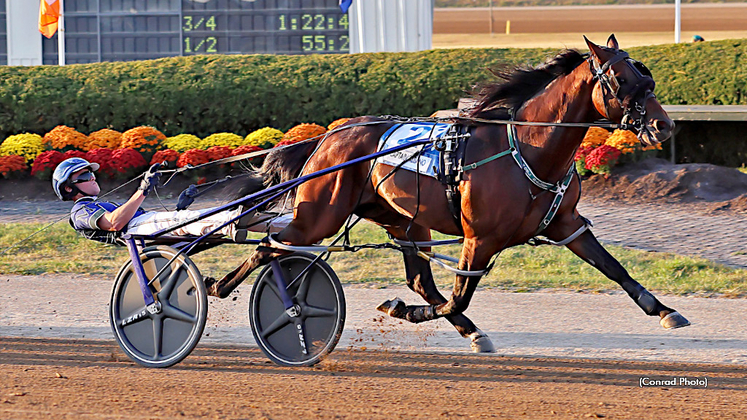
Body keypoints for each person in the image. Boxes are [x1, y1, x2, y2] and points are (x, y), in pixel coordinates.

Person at [52, 157, 291, 243]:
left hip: (146, 224)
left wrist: (180, 206)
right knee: (198, 218)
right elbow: (114, 223)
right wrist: (143, 190)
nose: (92, 177)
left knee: (197, 215)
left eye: (91, 172)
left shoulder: (99, 202)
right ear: (69, 189)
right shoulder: (80, 211)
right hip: (135, 232)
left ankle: (290, 224)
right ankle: (231, 223)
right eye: (84, 175)